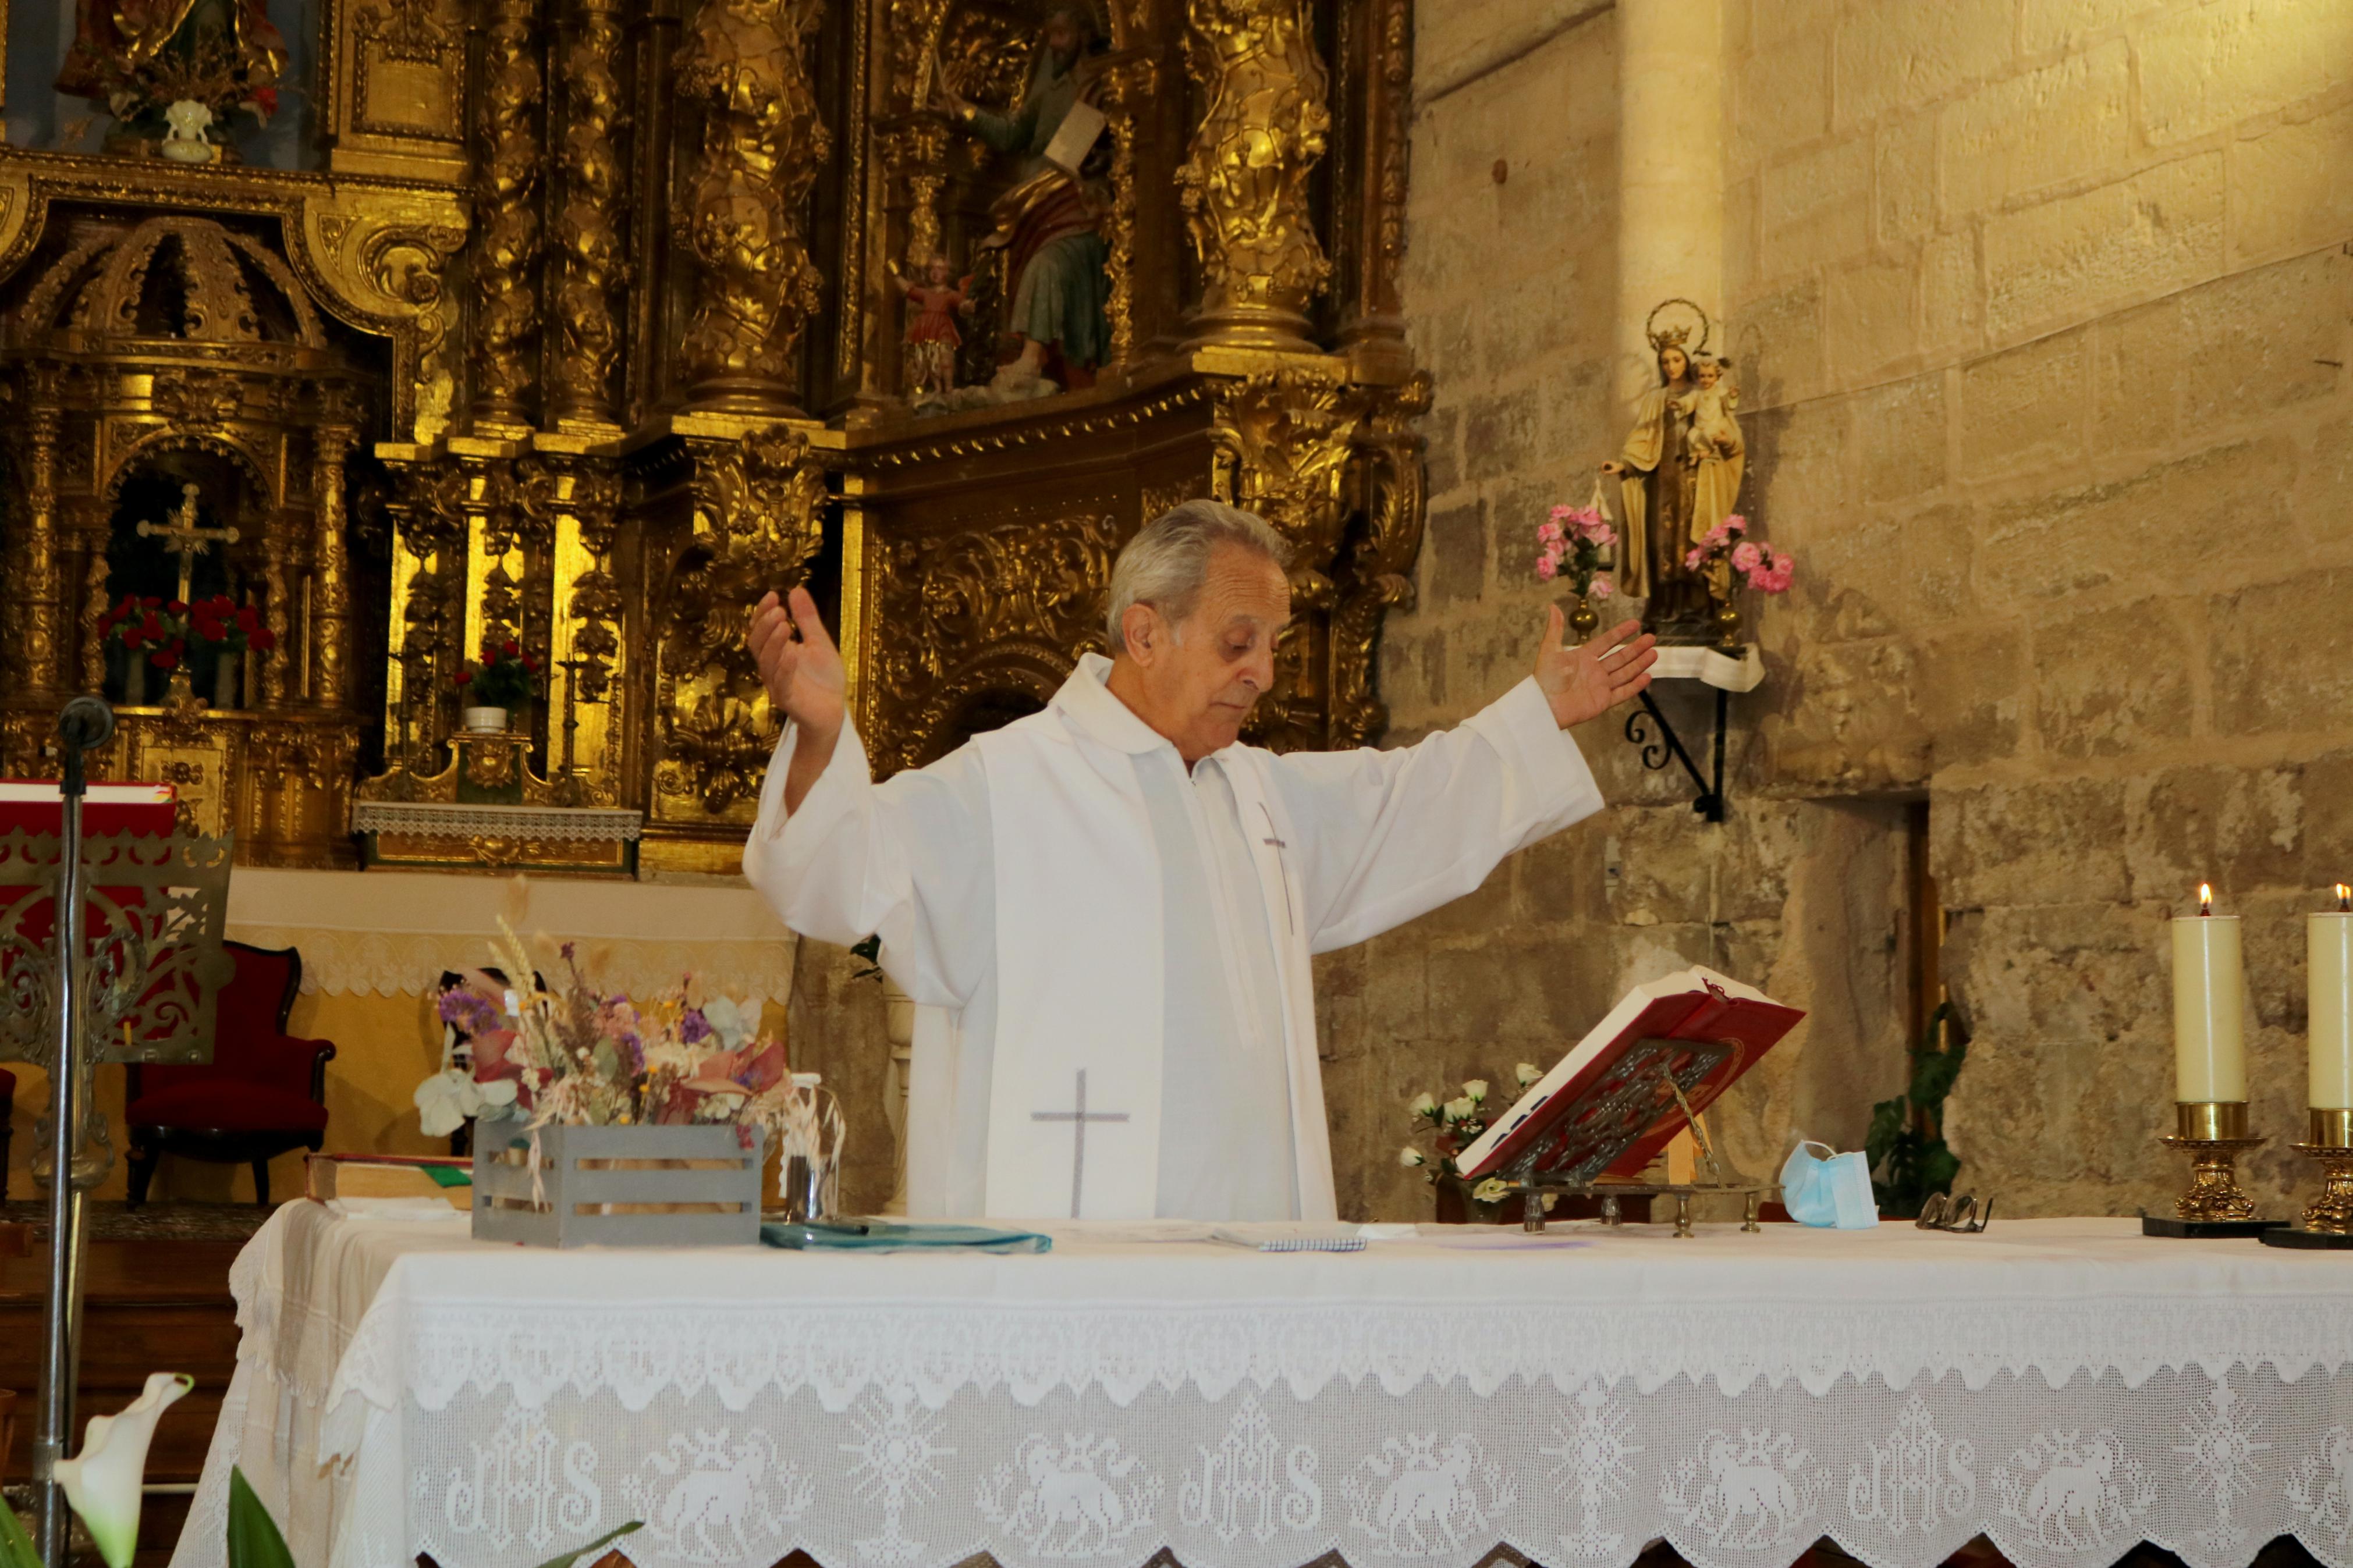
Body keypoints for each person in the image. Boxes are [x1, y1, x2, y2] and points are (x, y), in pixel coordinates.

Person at [743, 502, 1657, 1222]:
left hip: (1252, 1259)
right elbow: (836, 876)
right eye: (1237, 641)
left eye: (1272, 645)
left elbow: (1409, 801)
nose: (1262, 670)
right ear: (1144, 635)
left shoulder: (1258, 796)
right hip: (1071, 1266)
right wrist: (821, 735)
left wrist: (1539, 712)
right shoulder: (1003, 786)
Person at [937, 5, 1110, 393]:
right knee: (1030, 267)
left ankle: (1033, 358)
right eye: (1050, 36)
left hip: (1078, 205)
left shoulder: (1102, 84)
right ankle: (1033, 361)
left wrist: (1101, 158)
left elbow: (1119, 146)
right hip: (1033, 204)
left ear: (1083, 34)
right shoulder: (1050, 85)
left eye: (1061, 35)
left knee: (1048, 267)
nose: (1054, 45)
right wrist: (966, 112)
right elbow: (1014, 133)